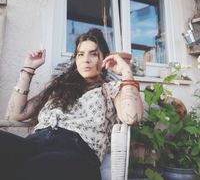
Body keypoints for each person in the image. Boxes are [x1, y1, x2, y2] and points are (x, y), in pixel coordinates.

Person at [0, 28, 143, 180]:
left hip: (76, 152)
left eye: (93, 54)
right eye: (80, 54)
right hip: (35, 143)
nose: (86, 60)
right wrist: (28, 68)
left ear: (104, 59)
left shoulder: (111, 89)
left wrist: (126, 72)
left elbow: (131, 117)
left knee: (36, 167)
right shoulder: (59, 88)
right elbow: (15, 115)